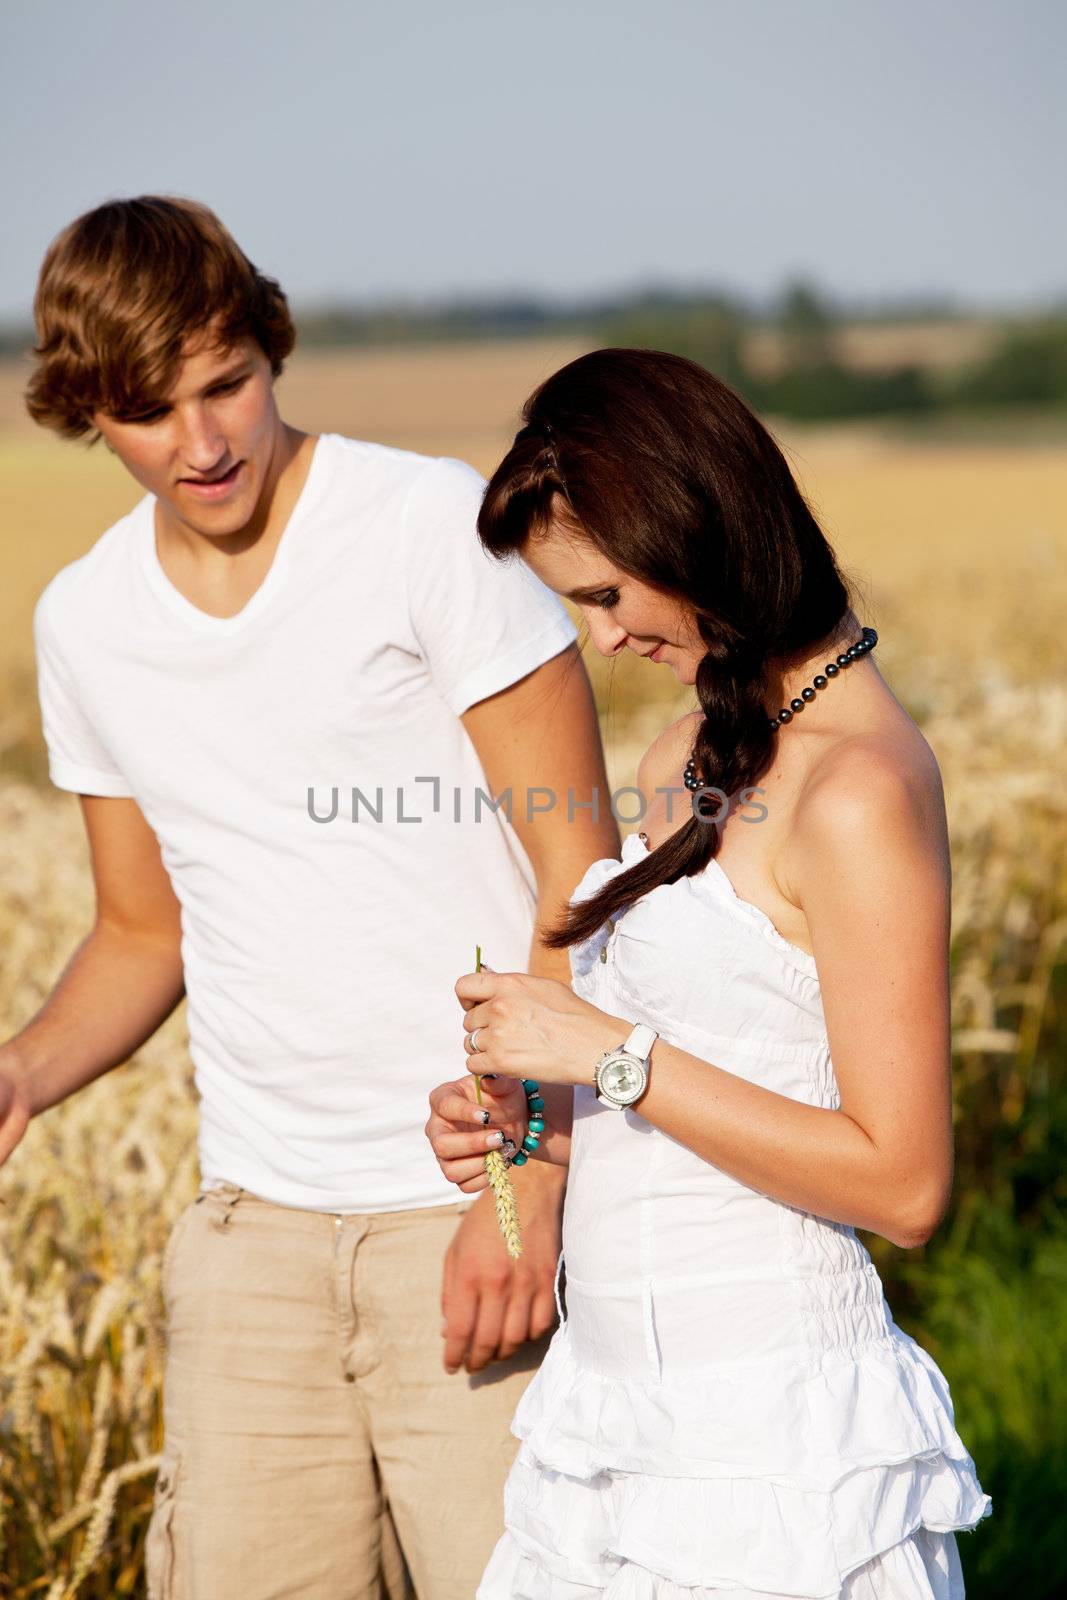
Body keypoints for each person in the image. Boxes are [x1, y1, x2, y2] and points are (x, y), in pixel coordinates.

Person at [0, 196, 621, 1600]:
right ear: (86, 409)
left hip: (466, 1204)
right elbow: (139, 930)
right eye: (151, 412)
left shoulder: (423, 530)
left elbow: (575, 880)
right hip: (249, 1240)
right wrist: (24, 1070)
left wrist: (526, 1184)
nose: (203, 442)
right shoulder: (83, 624)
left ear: (269, 347)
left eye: (226, 384)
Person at [425, 348, 992, 1599]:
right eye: (572, 603)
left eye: (610, 591)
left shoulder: (856, 792)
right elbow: (691, 1064)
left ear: (699, 529)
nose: (601, 637)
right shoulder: (686, 751)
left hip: (767, 1453)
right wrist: (529, 1117)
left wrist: (605, 1057)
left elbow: (901, 1183)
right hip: (616, 1417)